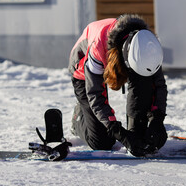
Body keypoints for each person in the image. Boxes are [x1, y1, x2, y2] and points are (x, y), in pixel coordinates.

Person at [68, 14, 168, 156]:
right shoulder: (98, 47)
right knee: (102, 142)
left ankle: (137, 130)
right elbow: (95, 95)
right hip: (82, 72)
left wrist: (157, 120)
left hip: (124, 57)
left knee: (141, 135)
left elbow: (158, 85)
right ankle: (79, 117)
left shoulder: (148, 46)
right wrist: (118, 131)